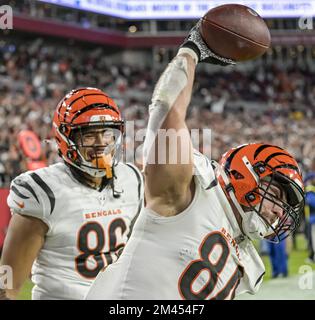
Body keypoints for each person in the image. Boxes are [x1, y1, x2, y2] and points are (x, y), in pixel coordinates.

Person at [86, 21, 305, 300]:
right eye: (274, 195)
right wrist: (192, 50)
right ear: (245, 175)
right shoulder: (193, 190)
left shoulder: (244, 254)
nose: (277, 212)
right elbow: (166, 112)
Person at [0, 87, 143, 300]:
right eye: (89, 135)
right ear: (66, 139)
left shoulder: (131, 179)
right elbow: (7, 282)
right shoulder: (44, 192)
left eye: (107, 133)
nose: (102, 142)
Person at [305, 172, 315, 263]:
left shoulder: (310, 190)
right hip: (311, 218)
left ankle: (312, 256)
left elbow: (311, 202)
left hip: (312, 219)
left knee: (312, 239)